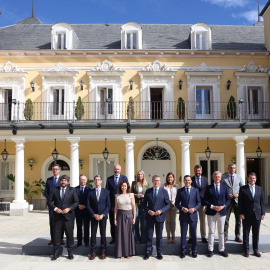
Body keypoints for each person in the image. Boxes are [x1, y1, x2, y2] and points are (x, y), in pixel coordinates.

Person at [47, 175, 79, 260]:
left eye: (65, 180)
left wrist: (69, 208)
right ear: (60, 181)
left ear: (67, 182)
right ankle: (56, 254)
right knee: (56, 235)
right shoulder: (54, 190)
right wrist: (55, 208)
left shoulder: (72, 190)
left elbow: (76, 202)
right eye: (62, 180)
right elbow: (49, 202)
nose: (63, 182)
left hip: (68, 217)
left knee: (69, 235)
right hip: (57, 217)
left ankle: (70, 253)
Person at [142, 175, 170, 260]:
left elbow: (168, 204)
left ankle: (159, 252)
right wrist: (148, 211)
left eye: (158, 180)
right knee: (149, 235)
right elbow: (144, 205)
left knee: (159, 236)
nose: (156, 182)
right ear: (152, 181)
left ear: (160, 181)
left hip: (160, 217)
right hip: (150, 216)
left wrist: (161, 211)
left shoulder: (164, 192)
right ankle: (148, 251)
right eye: (155, 180)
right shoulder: (148, 191)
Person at [204, 171, 230, 258]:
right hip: (211, 212)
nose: (217, 178)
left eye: (219, 177)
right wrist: (212, 206)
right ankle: (210, 249)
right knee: (211, 232)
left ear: (221, 178)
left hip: (222, 212)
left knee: (221, 232)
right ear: (213, 178)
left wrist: (224, 206)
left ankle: (221, 249)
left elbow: (228, 199)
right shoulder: (209, 188)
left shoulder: (224, 187)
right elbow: (205, 200)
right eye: (215, 177)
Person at [238, 172, 265, 258]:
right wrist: (241, 213)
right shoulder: (243, 189)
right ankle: (246, 250)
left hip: (257, 214)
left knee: (256, 233)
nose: (252, 179)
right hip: (246, 215)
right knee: (246, 233)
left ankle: (255, 250)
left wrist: (263, 213)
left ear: (256, 179)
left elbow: (262, 202)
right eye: (250, 178)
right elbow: (240, 203)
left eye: (254, 178)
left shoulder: (259, 189)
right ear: (247, 179)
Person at [175, 175, 201, 258]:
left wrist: (195, 209)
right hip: (183, 216)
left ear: (191, 181)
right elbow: (176, 203)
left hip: (193, 215)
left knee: (193, 234)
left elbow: (199, 203)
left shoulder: (196, 190)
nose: (187, 182)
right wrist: (182, 208)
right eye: (186, 180)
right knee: (183, 234)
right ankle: (183, 250)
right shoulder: (180, 191)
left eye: (189, 180)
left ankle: (194, 250)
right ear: (183, 181)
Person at [87, 175, 110, 260]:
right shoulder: (90, 192)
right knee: (93, 235)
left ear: (101, 181)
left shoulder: (106, 192)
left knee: (103, 234)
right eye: (95, 180)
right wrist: (94, 214)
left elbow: (108, 205)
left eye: (98, 180)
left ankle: (103, 251)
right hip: (94, 217)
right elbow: (88, 205)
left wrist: (103, 214)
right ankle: (93, 252)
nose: (97, 181)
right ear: (94, 181)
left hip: (103, 217)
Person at [221, 162, 244, 242]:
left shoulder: (239, 177)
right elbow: (220, 188)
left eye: (233, 168)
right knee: (226, 219)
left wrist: (238, 194)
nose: (232, 169)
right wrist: (227, 194)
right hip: (227, 201)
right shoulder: (223, 177)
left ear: (235, 168)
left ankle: (237, 236)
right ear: (228, 169)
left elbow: (243, 188)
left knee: (238, 219)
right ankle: (225, 236)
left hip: (237, 201)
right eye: (230, 168)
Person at [106, 164, 128, 244]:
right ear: (113, 170)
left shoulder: (124, 178)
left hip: (122, 204)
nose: (116, 171)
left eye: (118, 169)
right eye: (115, 169)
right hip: (112, 204)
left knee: (122, 222)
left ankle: (122, 238)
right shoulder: (109, 179)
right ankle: (114, 238)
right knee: (113, 222)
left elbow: (127, 189)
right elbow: (107, 191)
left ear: (120, 170)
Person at [114, 180, 136, 258]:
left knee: (128, 234)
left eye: (125, 186)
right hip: (120, 215)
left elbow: (134, 207)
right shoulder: (117, 196)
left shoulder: (131, 195)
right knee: (120, 234)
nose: (124, 187)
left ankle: (128, 252)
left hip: (129, 215)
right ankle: (121, 253)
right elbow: (116, 208)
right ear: (120, 187)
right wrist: (115, 219)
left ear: (127, 187)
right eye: (122, 186)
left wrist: (134, 218)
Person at [44, 163, 64, 245]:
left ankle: (61, 238)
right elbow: (45, 191)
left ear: (59, 170)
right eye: (53, 169)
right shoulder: (49, 180)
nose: (55, 170)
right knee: (52, 222)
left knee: (61, 221)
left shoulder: (63, 180)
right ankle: (52, 238)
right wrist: (50, 200)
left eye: (56, 169)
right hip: (52, 206)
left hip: (60, 205)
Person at [190, 165, 208, 244]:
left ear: (201, 171)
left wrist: (207, 202)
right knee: (192, 221)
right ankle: (191, 237)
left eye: (199, 170)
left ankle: (203, 236)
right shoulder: (191, 179)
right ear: (194, 171)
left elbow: (207, 191)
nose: (197, 172)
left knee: (202, 221)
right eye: (196, 170)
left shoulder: (205, 179)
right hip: (193, 204)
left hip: (203, 203)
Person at [131, 170, 149, 244]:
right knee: (136, 220)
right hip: (136, 203)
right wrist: (136, 195)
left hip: (144, 204)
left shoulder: (147, 184)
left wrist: (144, 196)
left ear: (143, 175)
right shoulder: (134, 183)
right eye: (138, 174)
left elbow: (149, 194)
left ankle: (144, 239)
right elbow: (131, 193)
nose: (139, 176)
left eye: (141, 174)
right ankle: (136, 238)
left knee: (144, 222)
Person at [162, 172, 179, 244]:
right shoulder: (163, 186)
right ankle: (168, 236)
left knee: (173, 222)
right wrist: (166, 204)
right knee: (168, 221)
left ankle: (173, 236)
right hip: (166, 206)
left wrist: (174, 204)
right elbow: (162, 196)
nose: (170, 178)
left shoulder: (176, 186)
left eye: (171, 177)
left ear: (173, 178)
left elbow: (178, 196)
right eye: (168, 177)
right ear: (167, 178)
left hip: (174, 206)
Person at [75, 174, 92, 247]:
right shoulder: (75, 189)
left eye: (84, 179)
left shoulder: (90, 189)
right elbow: (74, 199)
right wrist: (78, 205)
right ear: (79, 180)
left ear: (86, 180)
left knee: (86, 227)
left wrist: (84, 206)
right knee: (79, 227)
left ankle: (86, 241)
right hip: (78, 210)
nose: (83, 181)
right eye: (81, 179)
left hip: (86, 211)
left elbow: (91, 199)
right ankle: (79, 241)